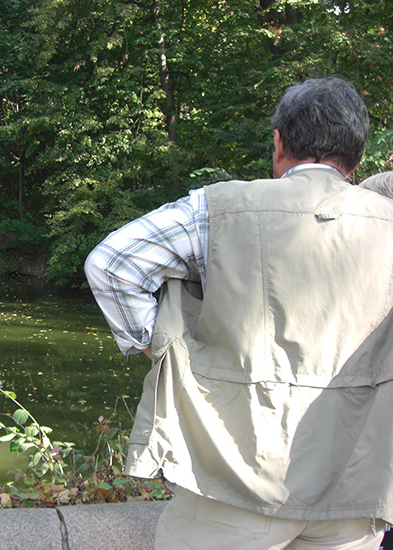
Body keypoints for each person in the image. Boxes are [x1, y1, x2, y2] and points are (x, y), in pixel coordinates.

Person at [85, 77, 393, 549]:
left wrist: (157, 347)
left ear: (279, 141)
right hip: (352, 492)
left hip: (234, 483)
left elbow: (113, 264)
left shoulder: (218, 207)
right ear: (355, 152)